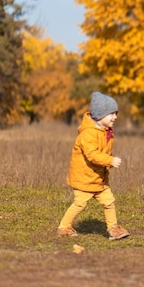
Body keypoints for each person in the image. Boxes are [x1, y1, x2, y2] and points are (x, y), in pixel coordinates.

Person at [57, 92, 130, 241]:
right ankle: (64, 226)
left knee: (109, 201)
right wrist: (109, 160)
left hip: (98, 179)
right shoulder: (88, 134)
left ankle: (113, 228)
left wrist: (107, 163)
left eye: (116, 113)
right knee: (80, 203)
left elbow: (102, 152)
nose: (115, 117)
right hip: (84, 178)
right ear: (100, 115)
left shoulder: (106, 132)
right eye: (111, 114)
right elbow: (92, 154)